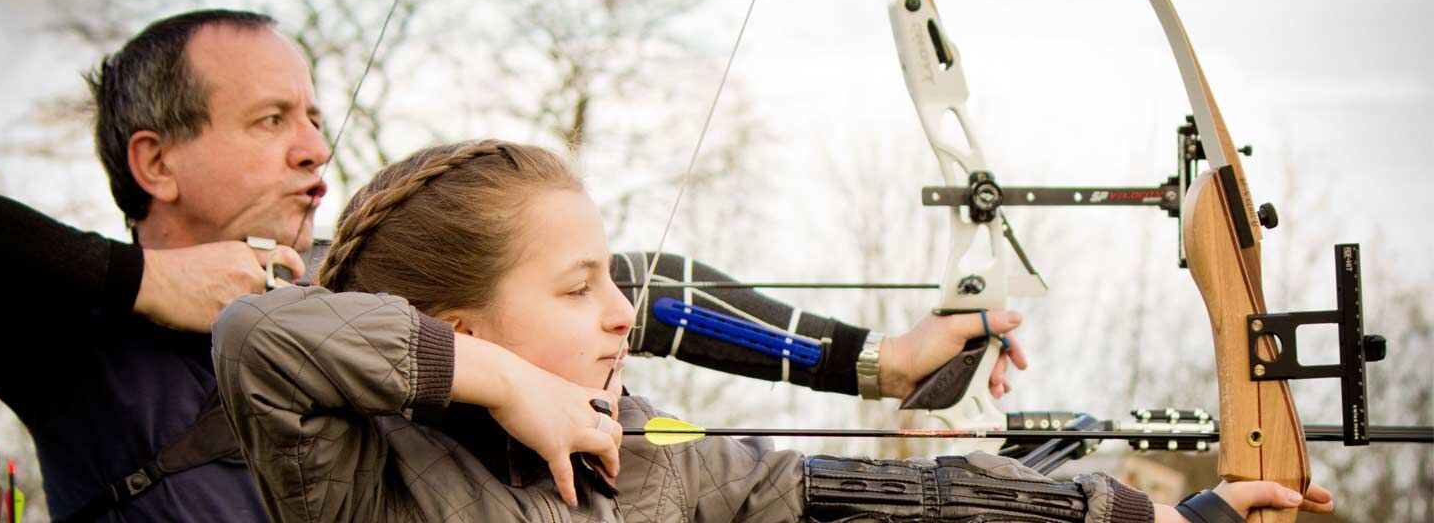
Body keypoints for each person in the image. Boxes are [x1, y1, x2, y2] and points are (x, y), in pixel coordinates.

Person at [0, 7, 1020, 520]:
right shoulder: (69, 328)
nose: (315, 147)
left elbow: (627, 290)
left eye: (314, 115)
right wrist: (143, 285)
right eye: (270, 120)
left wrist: (876, 366)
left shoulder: (357, 304)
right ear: (155, 161)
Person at [211, 140, 1335, 522]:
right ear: (459, 329)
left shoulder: (648, 458)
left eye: (616, 283)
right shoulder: (364, 481)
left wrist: (1143, 513)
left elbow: (880, 499)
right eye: (580, 290)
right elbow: (260, 337)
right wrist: (500, 382)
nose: (623, 316)